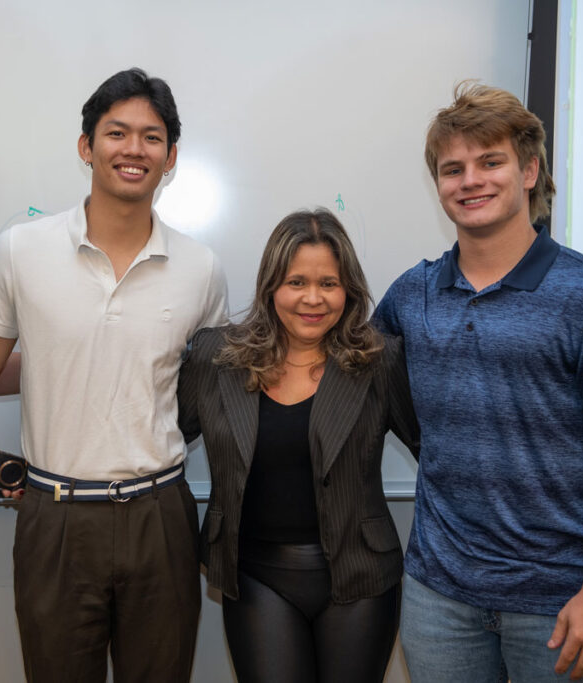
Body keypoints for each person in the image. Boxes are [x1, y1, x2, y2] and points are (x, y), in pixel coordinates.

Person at [373, 83, 583, 682]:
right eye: (452, 169)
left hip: (561, 602)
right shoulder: (413, 294)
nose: (470, 180)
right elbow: (345, 380)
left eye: (490, 162)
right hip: (439, 597)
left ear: (529, 170)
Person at [0, 68, 228, 682]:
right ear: (87, 147)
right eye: (117, 133)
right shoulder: (19, 251)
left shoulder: (201, 267)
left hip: (160, 513)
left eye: (152, 137)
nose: (134, 149)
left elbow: (203, 392)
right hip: (53, 516)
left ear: (170, 157)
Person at [177, 209, 420, 682]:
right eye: (296, 282)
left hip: (361, 578)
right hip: (254, 577)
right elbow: (158, 439)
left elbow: (435, 450)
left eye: (329, 283)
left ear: (348, 289)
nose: (313, 299)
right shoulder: (215, 357)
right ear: (271, 286)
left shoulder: (380, 360)